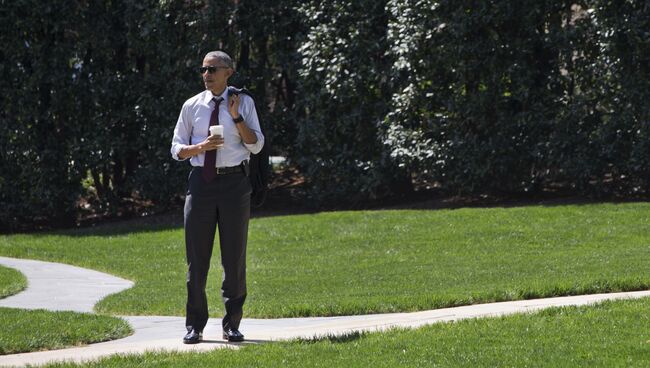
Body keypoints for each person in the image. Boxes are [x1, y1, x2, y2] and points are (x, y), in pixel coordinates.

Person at [170, 50, 264, 344]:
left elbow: (256, 145)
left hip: (235, 183)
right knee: (196, 259)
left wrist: (235, 117)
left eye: (213, 69)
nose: (207, 75)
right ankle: (194, 326)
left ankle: (231, 324)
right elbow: (176, 149)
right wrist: (202, 147)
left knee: (234, 258)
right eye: (204, 69)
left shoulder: (244, 103)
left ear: (229, 72)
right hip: (201, 184)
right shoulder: (192, 106)